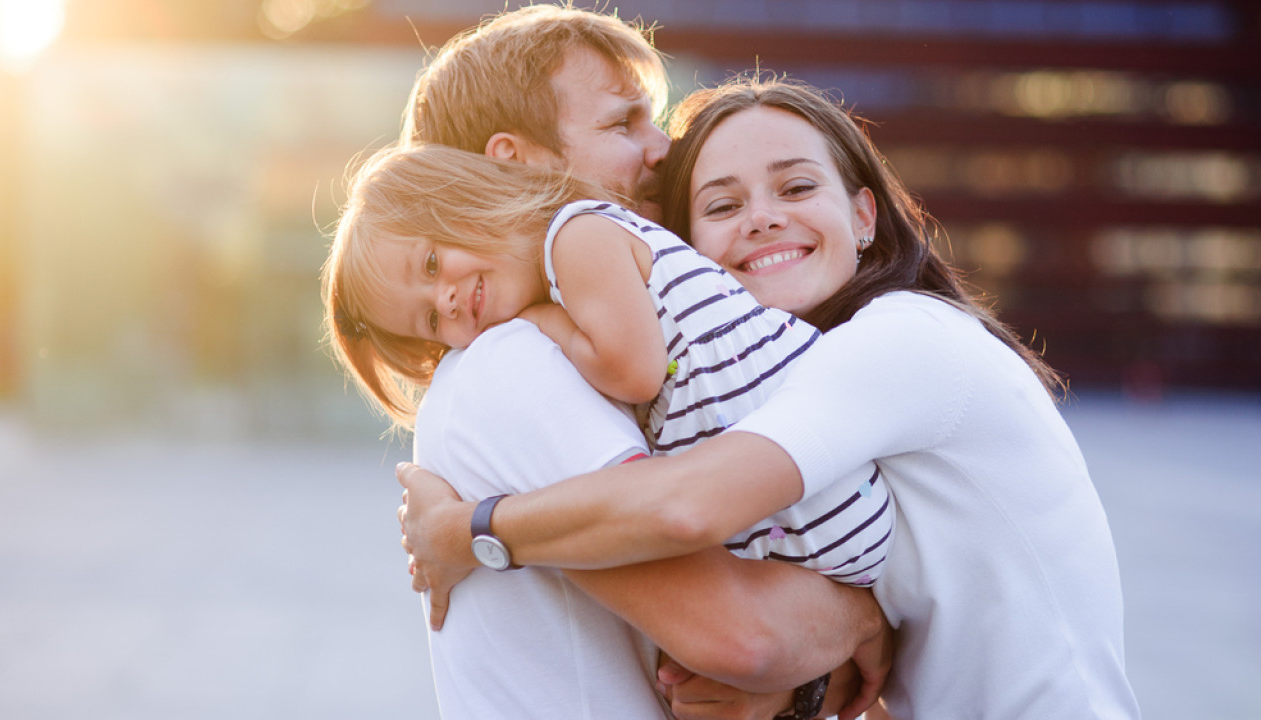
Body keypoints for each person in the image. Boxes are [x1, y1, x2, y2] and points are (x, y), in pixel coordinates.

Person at [399, 78, 1143, 719]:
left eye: (795, 188)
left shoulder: (903, 340)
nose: (761, 217)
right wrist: (819, 668)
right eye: (721, 206)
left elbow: (688, 507)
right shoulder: (777, 378)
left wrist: (468, 533)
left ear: (863, 215)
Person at [332, 5, 893, 719]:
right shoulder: (518, 365)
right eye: (624, 124)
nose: (662, 149)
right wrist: (864, 621)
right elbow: (745, 634)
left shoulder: (599, 319)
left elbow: (744, 651)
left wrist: (815, 669)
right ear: (517, 160)